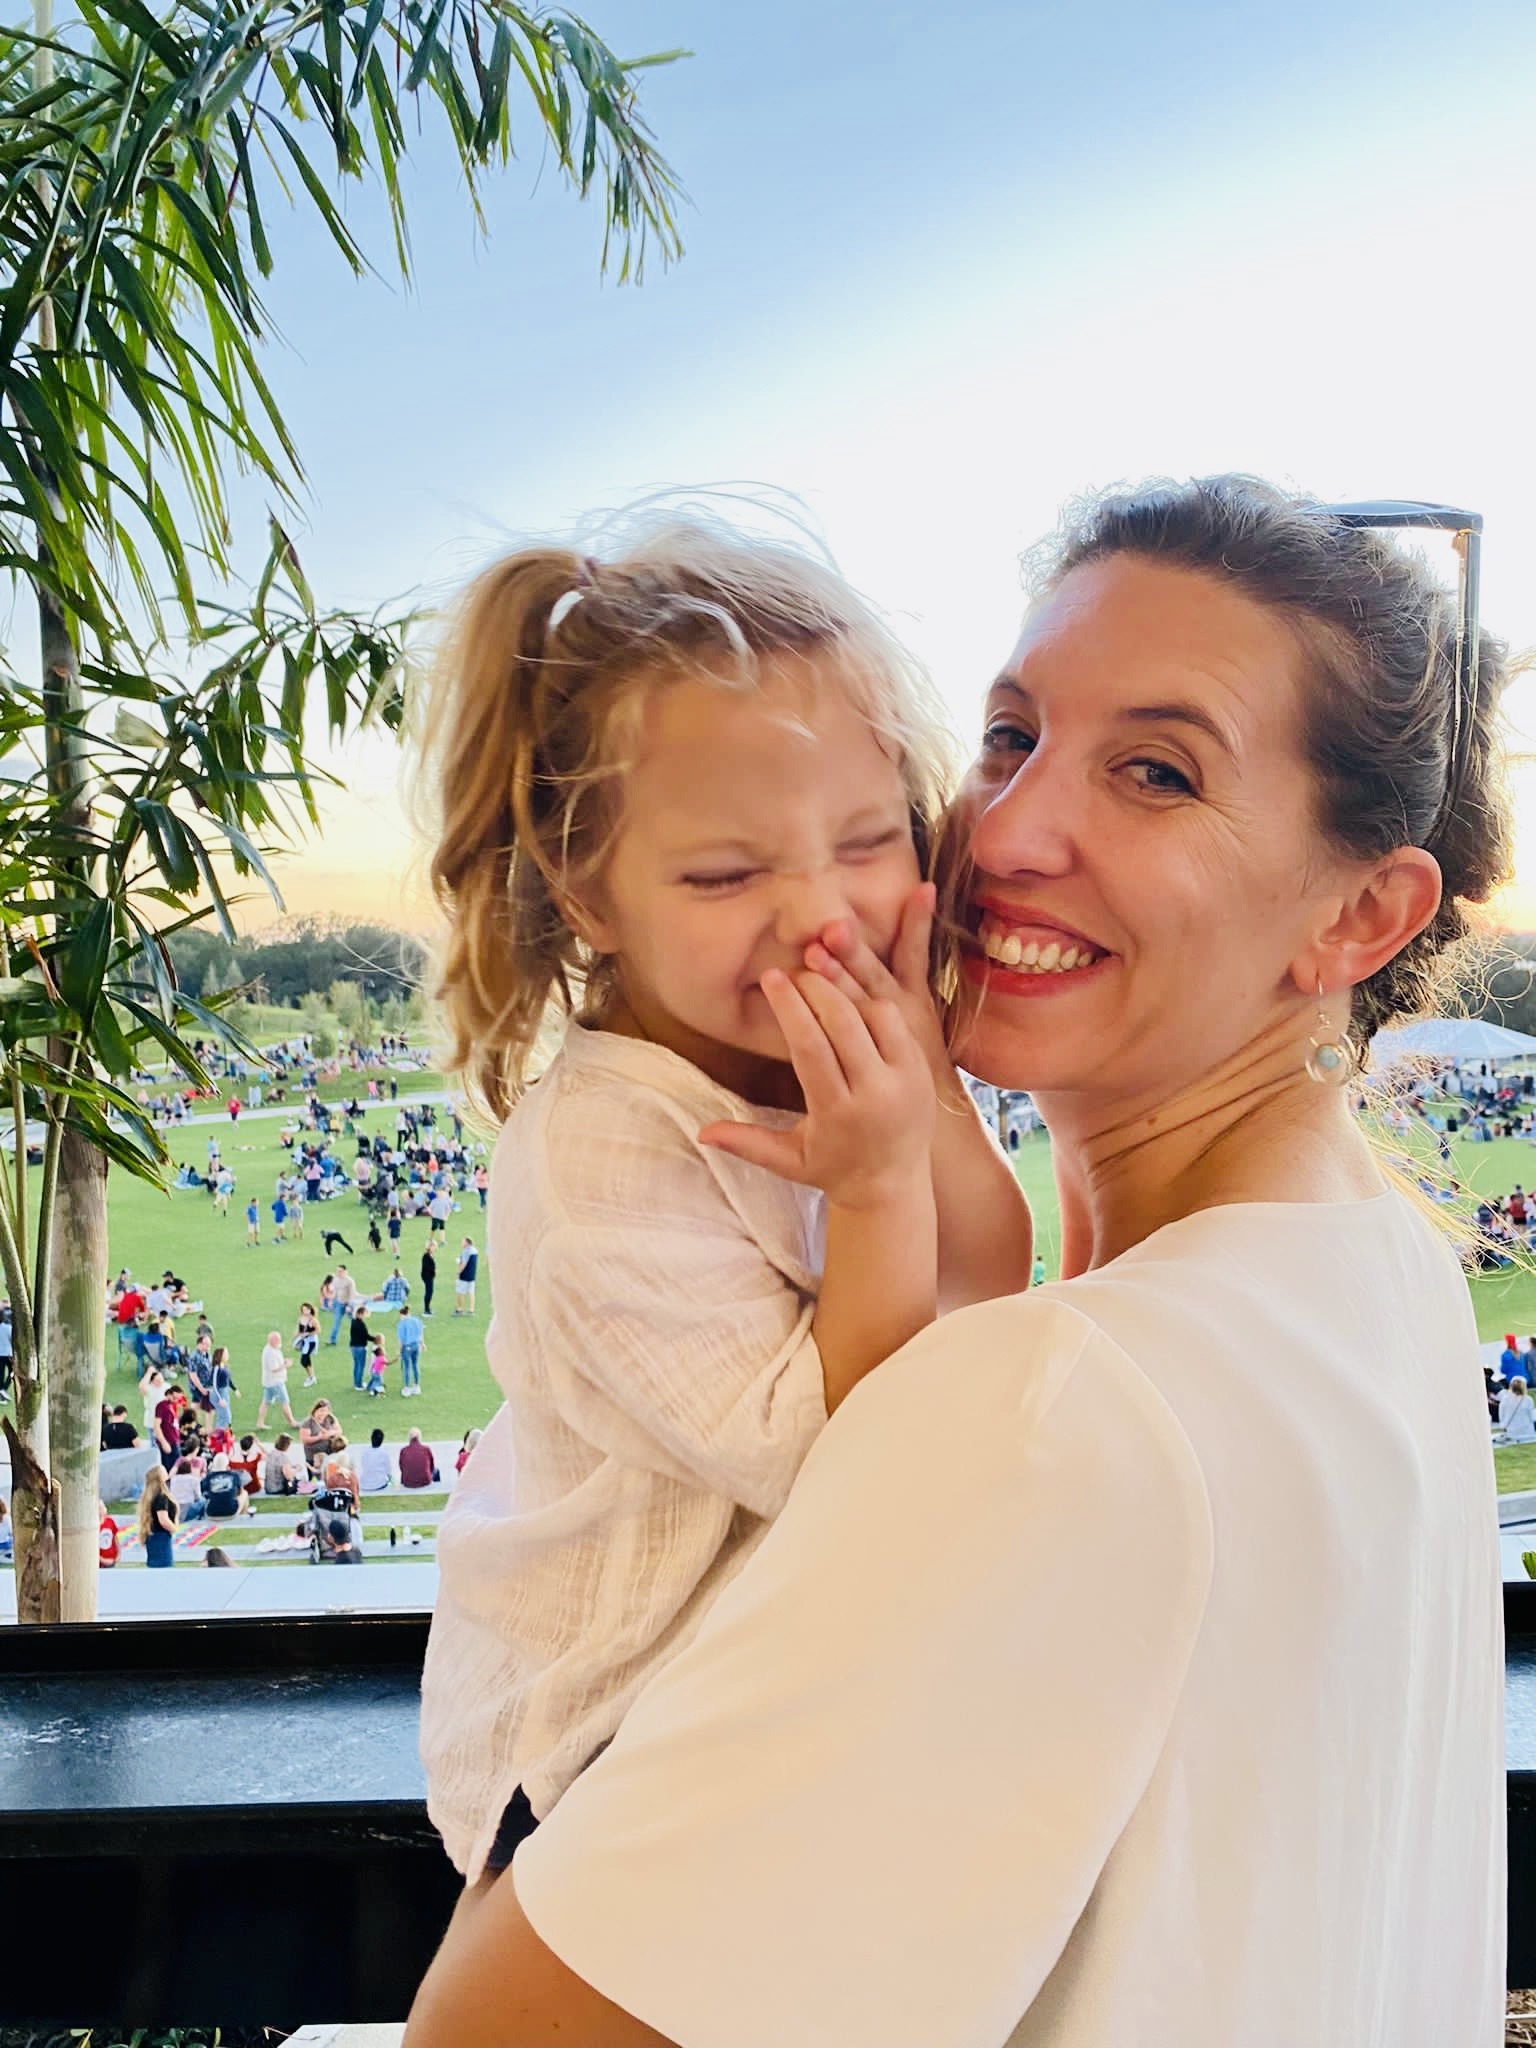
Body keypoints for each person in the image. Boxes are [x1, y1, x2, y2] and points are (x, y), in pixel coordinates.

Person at [408, 479, 1511, 2046]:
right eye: (1008, 738)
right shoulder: (1383, 1272)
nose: (1009, 830)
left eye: (1155, 772)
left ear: (1359, 917)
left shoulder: (1060, 1409)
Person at [410, 522, 1019, 1897]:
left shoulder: (836, 1073)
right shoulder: (605, 1167)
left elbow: (984, 1290)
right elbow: (841, 1460)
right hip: (603, 1772)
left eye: (869, 842)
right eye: (727, 876)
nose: (821, 916)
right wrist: (872, 1182)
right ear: (585, 891)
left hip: (778, 1715)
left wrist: (929, 1102)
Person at [137, 1463, 177, 1568]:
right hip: (161, 1536)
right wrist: (173, 1528)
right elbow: (163, 1519)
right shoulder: (161, 1497)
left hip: (153, 1535)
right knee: (164, 1565)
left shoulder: (152, 1497)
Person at [256, 1332, 296, 1429]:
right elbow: (273, 1369)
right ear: (272, 1341)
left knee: (266, 1402)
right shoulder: (270, 1352)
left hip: (269, 1382)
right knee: (284, 1401)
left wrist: (283, 1361)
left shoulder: (273, 1349)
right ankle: (292, 1422)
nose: (279, 1341)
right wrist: (286, 1365)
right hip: (275, 1382)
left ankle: (260, 1423)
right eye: (277, 1340)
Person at [200, 1455, 247, 1520]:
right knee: (244, 1493)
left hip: (212, 1513)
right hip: (231, 1512)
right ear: (227, 1464)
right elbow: (239, 1492)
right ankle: (243, 1517)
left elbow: (203, 1492)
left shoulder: (209, 1477)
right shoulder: (234, 1475)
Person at [396, 1307, 425, 1396]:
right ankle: (416, 1386)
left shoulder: (401, 1324)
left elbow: (401, 1340)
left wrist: (398, 1350)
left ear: (401, 1314)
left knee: (406, 1367)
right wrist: (422, 1344)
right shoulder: (417, 1321)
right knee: (415, 1365)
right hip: (416, 1345)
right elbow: (420, 1334)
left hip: (407, 1347)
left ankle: (407, 1388)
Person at [207, 1346, 236, 1435]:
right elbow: (214, 1385)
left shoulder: (225, 1366)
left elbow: (228, 1380)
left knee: (223, 1416)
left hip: (224, 1393)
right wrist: (220, 1399)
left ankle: (223, 1434)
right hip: (218, 1394)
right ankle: (219, 1435)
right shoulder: (216, 1368)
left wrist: (235, 1389)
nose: (228, 1355)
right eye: (226, 1353)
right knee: (226, 1416)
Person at [1499, 1376, 1536, 1444]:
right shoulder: (1528, 1399)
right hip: (1527, 1432)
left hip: (1510, 1432)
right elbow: (1532, 1417)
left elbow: (1501, 1416)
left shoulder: (1505, 1399)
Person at [328, 1265, 358, 1346]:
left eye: (340, 1271)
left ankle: (356, 1339)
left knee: (354, 1322)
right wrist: (331, 1301)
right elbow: (335, 1291)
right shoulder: (335, 1280)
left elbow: (352, 1294)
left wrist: (349, 1305)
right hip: (338, 1303)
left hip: (348, 1304)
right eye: (337, 1271)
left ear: (345, 1272)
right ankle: (332, 1340)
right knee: (336, 1321)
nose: (338, 1273)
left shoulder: (349, 1281)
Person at [348, 1306, 376, 1393]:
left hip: (353, 1347)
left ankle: (356, 1382)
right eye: (365, 1314)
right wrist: (376, 1339)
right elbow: (366, 1336)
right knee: (361, 1366)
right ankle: (358, 1384)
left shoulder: (354, 1322)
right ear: (360, 1314)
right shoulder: (360, 1324)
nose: (366, 1315)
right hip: (360, 1347)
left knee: (356, 1365)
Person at [358, 1427, 394, 1492]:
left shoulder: (365, 1452)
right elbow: (388, 1471)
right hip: (379, 1484)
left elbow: (364, 1465)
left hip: (364, 1484)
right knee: (391, 1480)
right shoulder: (384, 1453)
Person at [452, 1237, 478, 1316]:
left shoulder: (466, 1251)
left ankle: (459, 1309)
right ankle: (471, 1310)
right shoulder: (475, 1250)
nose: (461, 1243)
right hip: (472, 1276)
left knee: (460, 1292)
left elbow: (464, 1263)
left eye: (463, 1242)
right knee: (471, 1293)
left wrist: (458, 1272)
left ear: (467, 1243)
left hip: (464, 1276)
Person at [420, 1237, 438, 1318]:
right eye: (434, 1246)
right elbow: (426, 1267)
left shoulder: (430, 1255)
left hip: (430, 1276)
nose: (435, 1248)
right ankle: (426, 1310)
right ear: (430, 1247)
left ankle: (428, 1308)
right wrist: (433, 1271)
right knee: (429, 1292)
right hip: (427, 1276)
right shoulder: (426, 1256)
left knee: (430, 1292)